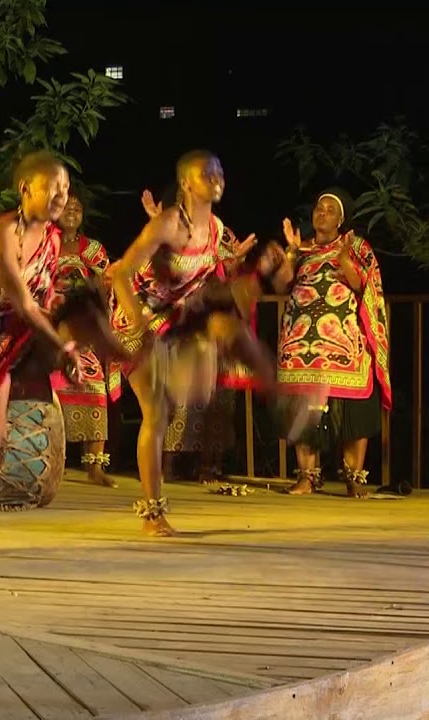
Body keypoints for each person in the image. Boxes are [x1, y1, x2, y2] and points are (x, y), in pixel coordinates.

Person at [109, 150, 319, 537]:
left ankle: (285, 401)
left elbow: (225, 283)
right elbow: (121, 272)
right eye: (207, 172)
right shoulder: (168, 224)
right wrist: (138, 322)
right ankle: (153, 515)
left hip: (178, 317)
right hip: (134, 321)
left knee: (228, 327)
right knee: (157, 414)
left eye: (220, 169)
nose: (217, 176)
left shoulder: (219, 230)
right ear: (187, 183)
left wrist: (272, 266)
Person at [0, 151, 130, 559]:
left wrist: (65, 349)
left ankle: (106, 350)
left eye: (66, 189)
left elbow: (44, 302)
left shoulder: (51, 238)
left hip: (24, 334)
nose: (61, 196)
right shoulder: (0, 235)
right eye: (53, 187)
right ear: (25, 189)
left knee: (81, 305)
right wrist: (62, 345)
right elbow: (25, 303)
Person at [273, 188, 391, 498]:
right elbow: (281, 283)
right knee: (303, 409)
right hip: (301, 340)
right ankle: (306, 477)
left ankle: (355, 478)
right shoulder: (303, 248)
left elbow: (361, 284)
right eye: (318, 208)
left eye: (329, 209)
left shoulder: (355, 247)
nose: (321, 213)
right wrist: (291, 251)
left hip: (341, 340)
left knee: (352, 410)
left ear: (341, 220)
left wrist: (343, 259)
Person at [141, 187, 239, 485]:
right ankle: (164, 464)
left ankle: (208, 465)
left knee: (209, 397)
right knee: (167, 397)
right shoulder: (163, 229)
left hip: (205, 323)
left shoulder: (217, 230)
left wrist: (233, 261)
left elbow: (227, 270)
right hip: (164, 322)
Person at [49, 192, 118, 487]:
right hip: (51, 328)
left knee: (94, 391)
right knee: (50, 394)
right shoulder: (45, 243)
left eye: (77, 207)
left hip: (82, 331)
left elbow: (107, 283)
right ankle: (52, 462)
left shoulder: (91, 249)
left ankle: (95, 467)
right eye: (67, 206)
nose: (72, 211)